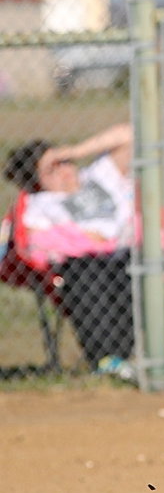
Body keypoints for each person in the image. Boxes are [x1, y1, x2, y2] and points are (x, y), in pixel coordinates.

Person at [3, 123, 136, 378]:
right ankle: (107, 360)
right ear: (38, 182)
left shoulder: (99, 176)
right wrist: (92, 241)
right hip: (80, 267)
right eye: (51, 170)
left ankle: (125, 358)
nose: (64, 171)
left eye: (63, 162)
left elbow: (130, 134)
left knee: (129, 265)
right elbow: (37, 242)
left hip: (124, 255)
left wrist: (74, 151)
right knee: (85, 269)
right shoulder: (40, 204)